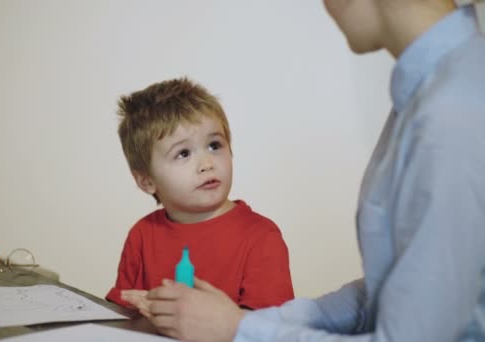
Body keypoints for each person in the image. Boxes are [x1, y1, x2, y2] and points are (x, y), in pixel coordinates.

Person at [143, 1, 485, 341]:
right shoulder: (433, 90)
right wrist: (250, 322)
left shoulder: (453, 111)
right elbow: (399, 285)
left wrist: (238, 330)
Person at [106, 77, 295, 312]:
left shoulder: (261, 237)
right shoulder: (142, 235)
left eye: (214, 145)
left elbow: (270, 330)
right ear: (147, 181)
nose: (206, 163)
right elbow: (121, 314)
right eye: (183, 153)